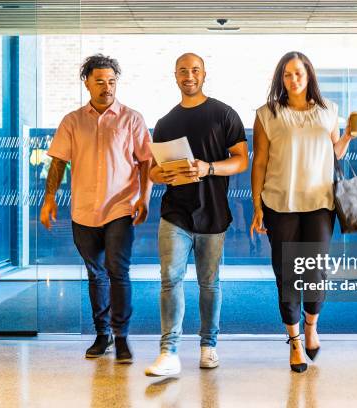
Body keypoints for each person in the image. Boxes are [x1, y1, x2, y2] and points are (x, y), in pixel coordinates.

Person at [250, 51, 357, 373]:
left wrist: (348, 136)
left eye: (299, 73)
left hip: (319, 203)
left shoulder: (328, 110)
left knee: (315, 274)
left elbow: (334, 153)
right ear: (281, 79)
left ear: (309, 75)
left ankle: (312, 328)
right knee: (287, 277)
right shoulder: (267, 114)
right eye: (287, 75)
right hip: (280, 204)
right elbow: (259, 162)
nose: (294, 79)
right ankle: (295, 342)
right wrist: (257, 206)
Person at [40, 54, 153, 363]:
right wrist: (49, 198)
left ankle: (122, 339)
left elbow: (146, 161)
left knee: (118, 271)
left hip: (120, 207)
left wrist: (144, 197)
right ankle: (102, 335)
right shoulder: (72, 121)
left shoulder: (132, 118)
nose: (107, 87)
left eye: (112, 82)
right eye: (100, 81)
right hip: (84, 210)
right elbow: (58, 161)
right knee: (96, 274)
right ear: (87, 83)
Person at [145, 53, 249, 376]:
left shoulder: (224, 114)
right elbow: (153, 171)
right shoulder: (164, 122)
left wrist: (209, 168)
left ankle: (208, 346)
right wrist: (160, 175)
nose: (188, 76)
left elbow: (242, 160)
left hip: (213, 214)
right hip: (175, 214)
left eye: (194, 70)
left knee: (209, 283)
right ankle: (169, 352)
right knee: (170, 280)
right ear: (174, 77)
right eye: (182, 71)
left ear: (204, 74)